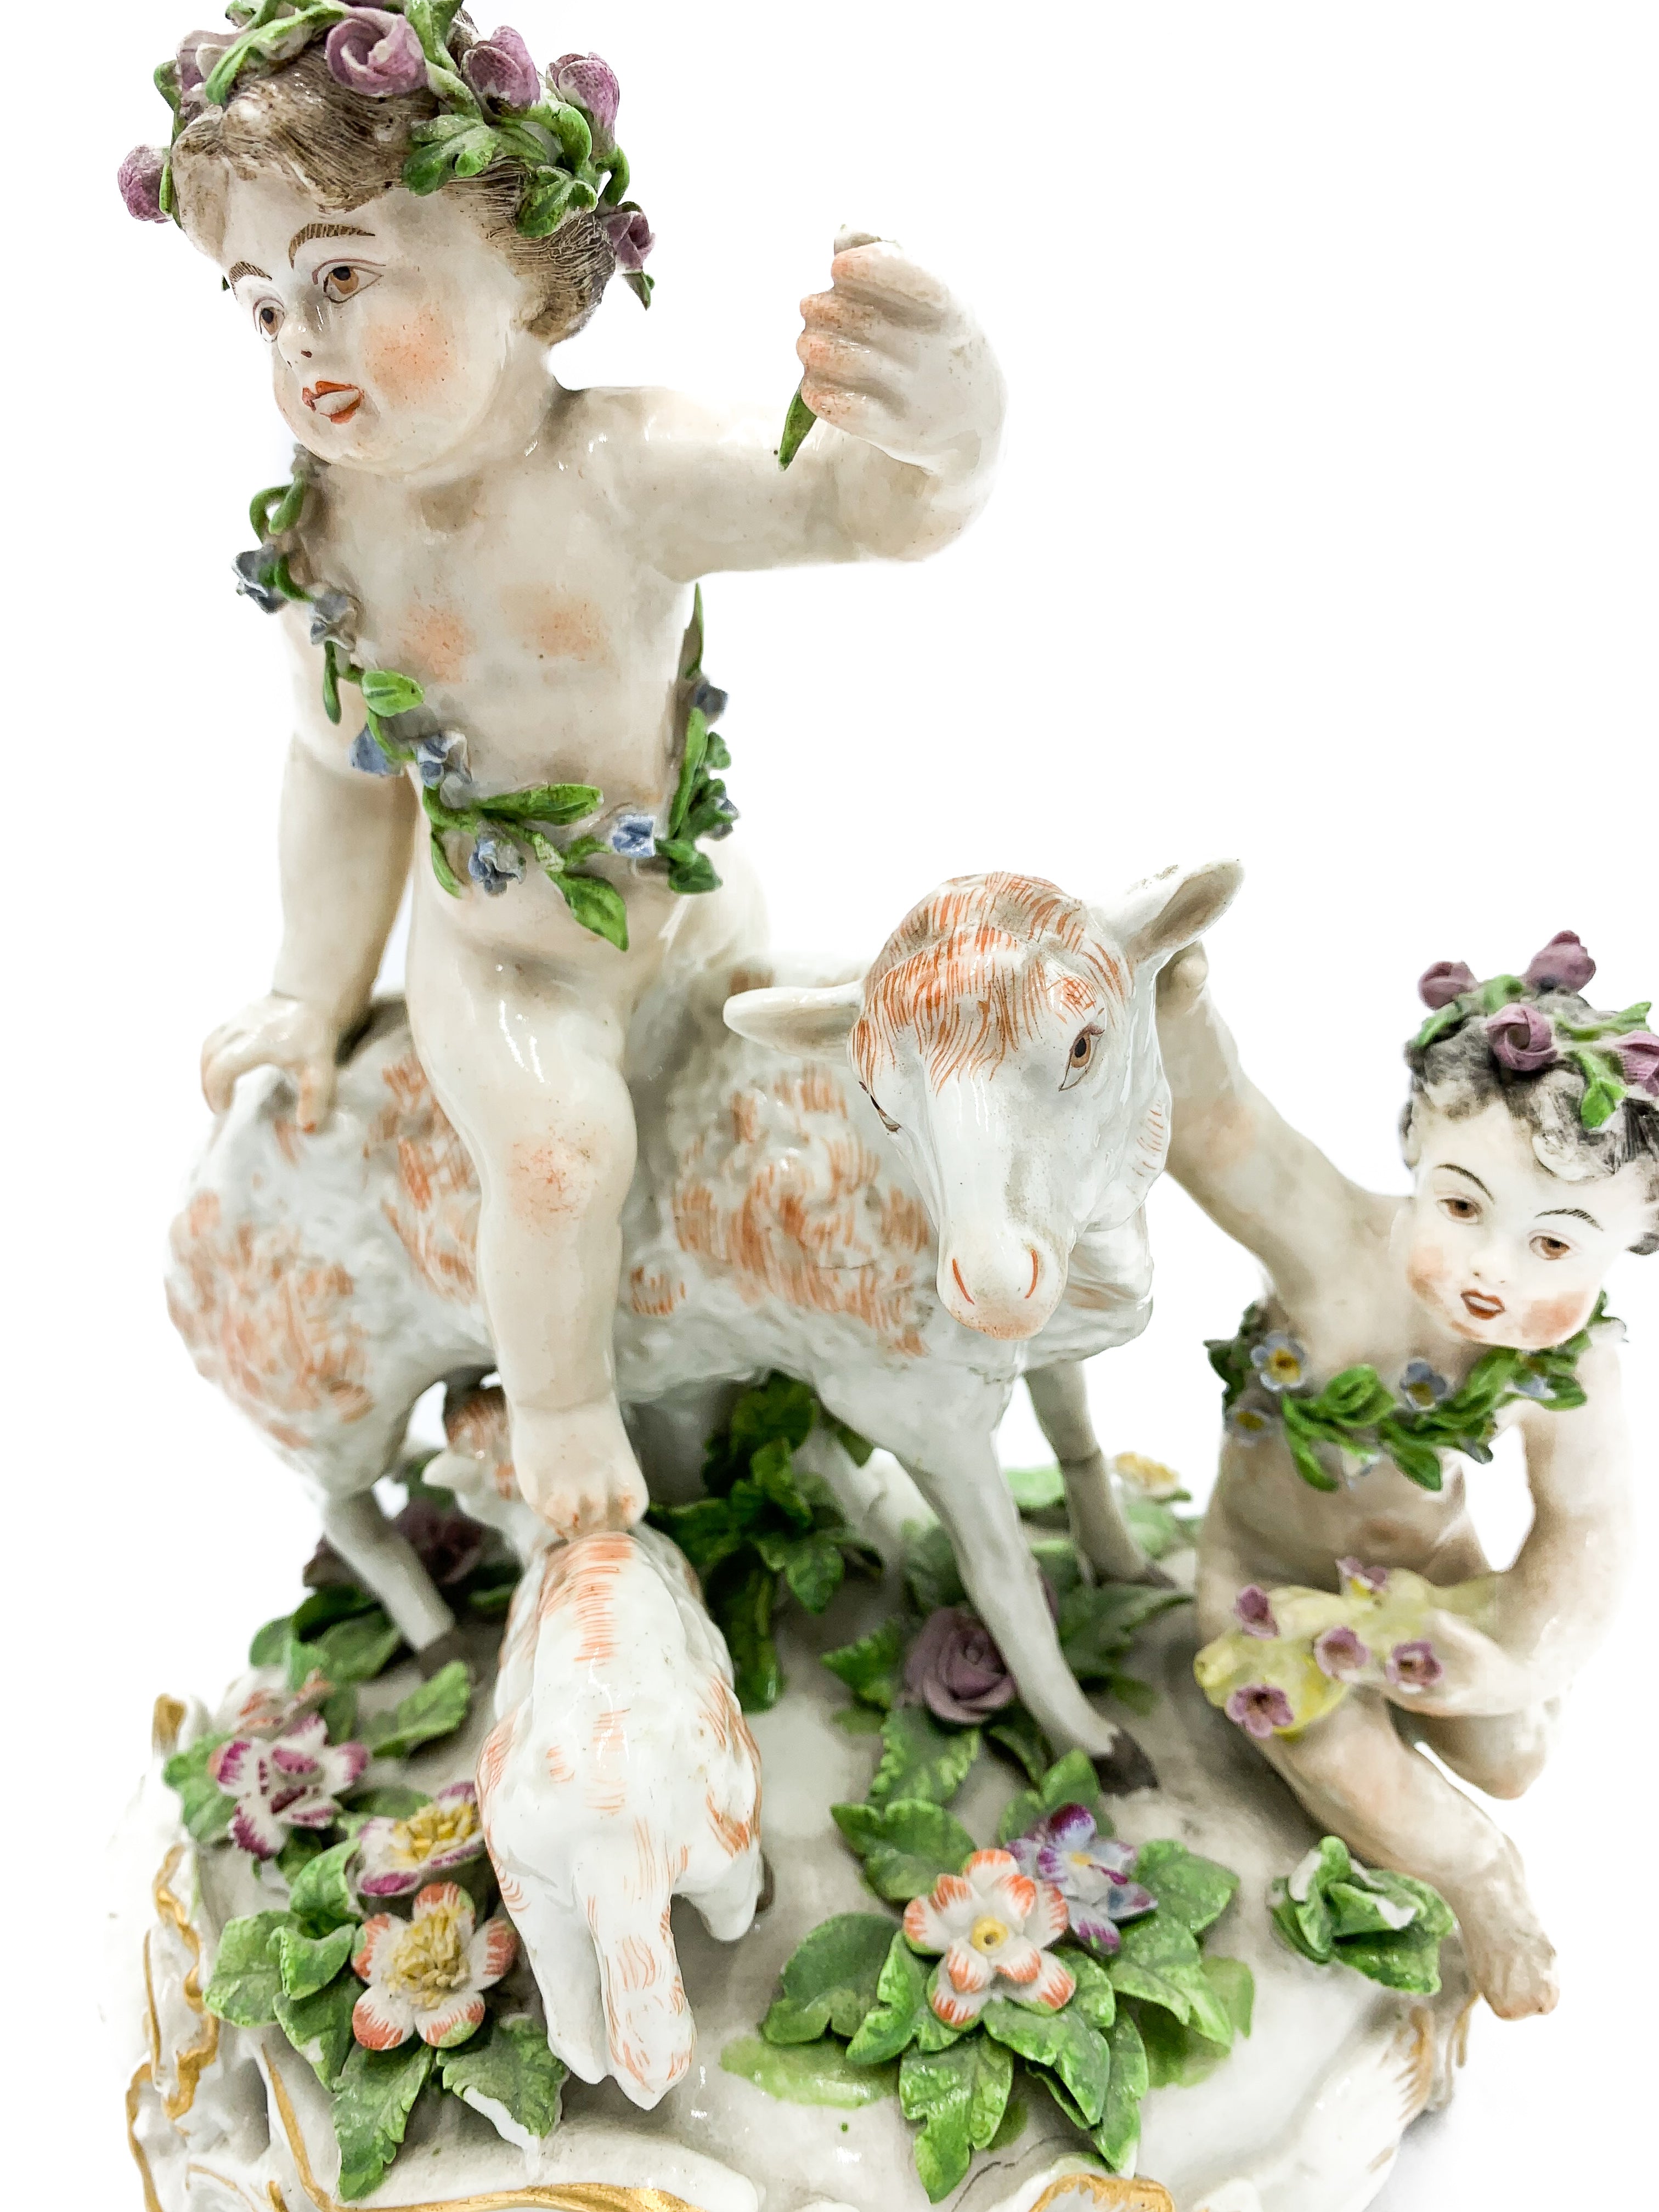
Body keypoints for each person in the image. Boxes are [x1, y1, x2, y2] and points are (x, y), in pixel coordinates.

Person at [122, 14, 1005, 1542]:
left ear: (525, 266)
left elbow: (868, 510)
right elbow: (342, 779)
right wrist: (310, 992)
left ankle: (820, 1348)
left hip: (693, 903)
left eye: (343, 279)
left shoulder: (630, 470)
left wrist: (953, 430)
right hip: (506, 956)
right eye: (261, 306)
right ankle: (560, 1408)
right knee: (557, 1155)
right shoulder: (327, 551)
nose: (300, 347)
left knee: (803, 1075)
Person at [1158, 927, 1658, 2016]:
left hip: (1430, 1582)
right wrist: (1176, 1012)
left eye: (1554, 1246)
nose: (1490, 1271)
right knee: (1338, 1749)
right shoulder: (1337, 1251)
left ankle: (1477, 1720)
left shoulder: (1573, 1369)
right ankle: (1482, 1880)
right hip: (1264, 1575)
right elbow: (1223, 1129)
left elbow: (1588, 1533)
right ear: (1419, 1150)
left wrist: (1502, 1662)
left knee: (1513, 1756)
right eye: (1464, 1208)